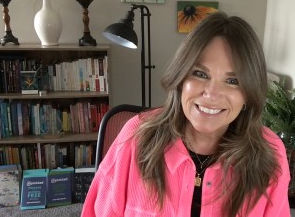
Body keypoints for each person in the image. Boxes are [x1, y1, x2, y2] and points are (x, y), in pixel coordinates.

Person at [81, 12, 291, 217]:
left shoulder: (270, 154)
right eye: (200, 74)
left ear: (248, 93)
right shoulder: (136, 135)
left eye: (233, 81)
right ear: (181, 78)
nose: (211, 94)